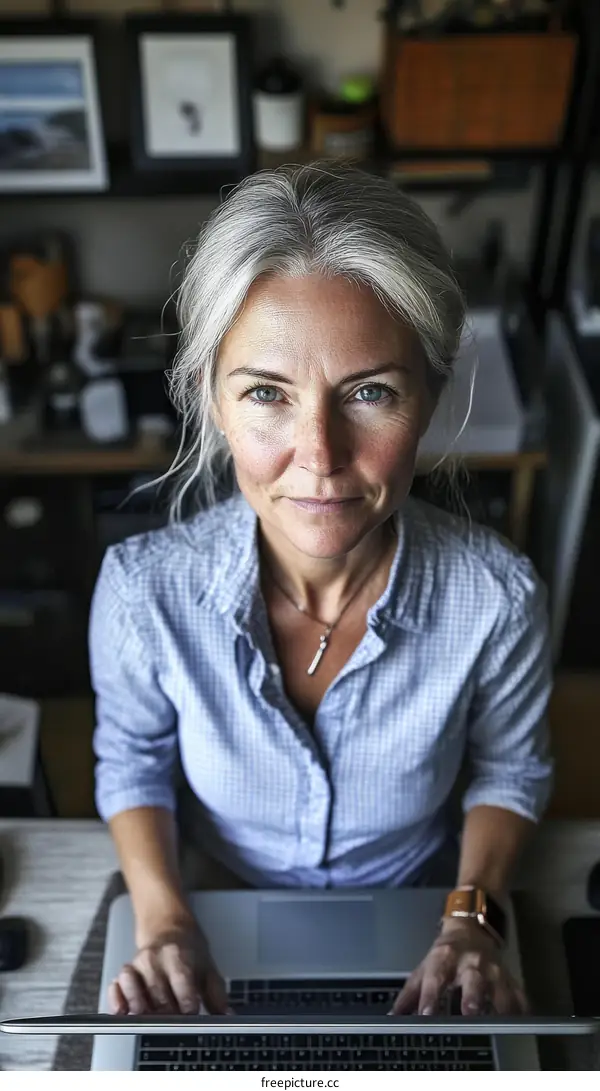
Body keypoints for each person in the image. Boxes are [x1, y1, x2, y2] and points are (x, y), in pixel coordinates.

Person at [90, 162, 553, 1022]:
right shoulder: (142, 593)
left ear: (432, 393)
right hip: (213, 913)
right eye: (267, 393)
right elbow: (133, 761)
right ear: (212, 402)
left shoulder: (498, 598)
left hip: (421, 913)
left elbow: (510, 767)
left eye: (369, 392)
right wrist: (162, 918)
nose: (320, 455)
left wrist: (472, 920)